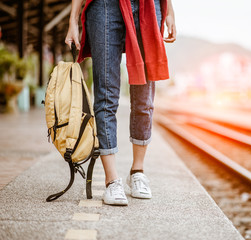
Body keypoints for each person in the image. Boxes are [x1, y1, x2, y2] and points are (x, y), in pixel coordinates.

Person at [64, 0, 176, 206]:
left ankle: (138, 171)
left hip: (148, 6)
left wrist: (170, 11)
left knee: (144, 96)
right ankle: (111, 180)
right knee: (106, 93)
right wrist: (72, 20)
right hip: (104, 5)